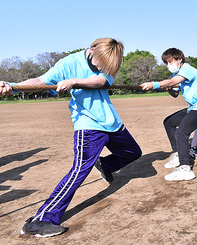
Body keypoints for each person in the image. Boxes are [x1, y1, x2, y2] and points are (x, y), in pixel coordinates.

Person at [0, 38, 142, 237]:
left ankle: (105, 165)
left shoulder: (109, 61)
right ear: (92, 51)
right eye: (101, 64)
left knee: (133, 152)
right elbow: (41, 81)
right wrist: (13, 86)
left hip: (110, 122)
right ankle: (40, 220)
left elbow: (101, 81)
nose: (104, 68)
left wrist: (74, 81)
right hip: (88, 126)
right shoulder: (68, 64)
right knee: (78, 172)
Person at [141, 48, 197, 181]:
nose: (168, 65)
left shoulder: (187, 69)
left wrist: (154, 84)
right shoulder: (177, 74)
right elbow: (174, 93)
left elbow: (170, 82)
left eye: (170, 61)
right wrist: (170, 89)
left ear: (179, 59)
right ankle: (178, 154)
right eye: (166, 63)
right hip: (195, 107)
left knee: (181, 133)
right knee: (169, 122)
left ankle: (185, 168)